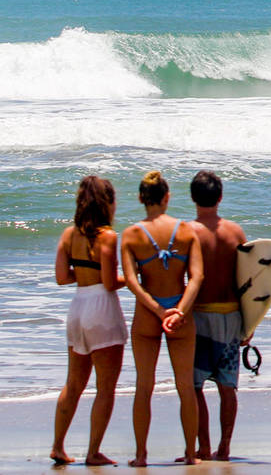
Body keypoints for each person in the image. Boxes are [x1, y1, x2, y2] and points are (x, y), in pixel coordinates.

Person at [120, 171, 204, 466]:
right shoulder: (185, 231)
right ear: (167, 197)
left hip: (147, 314)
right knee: (185, 387)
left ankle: (141, 456)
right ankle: (191, 455)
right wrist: (179, 309)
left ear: (141, 198)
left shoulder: (131, 235)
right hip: (181, 314)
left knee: (144, 386)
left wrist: (158, 311)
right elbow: (197, 277)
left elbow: (132, 281)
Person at [51, 176, 126, 466]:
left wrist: (84, 275)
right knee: (105, 387)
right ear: (107, 202)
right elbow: (109, 282)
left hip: (78, 307)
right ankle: (93, 452)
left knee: (74, 383)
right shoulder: (108, 236)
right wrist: (133, 279)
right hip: (101, 311)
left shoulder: (69, 235)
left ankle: (58, 446)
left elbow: (61, 277)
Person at [187, 170, 247, 461]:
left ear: (192, 198)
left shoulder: (188, 232)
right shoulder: (236, 232)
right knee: (227, 386)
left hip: (199, 319)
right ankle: (225, 447)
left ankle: (203, 447)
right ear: (220, 197)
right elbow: (249, 282)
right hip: (232, 318)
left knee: (194, 386)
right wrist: (250, 323)